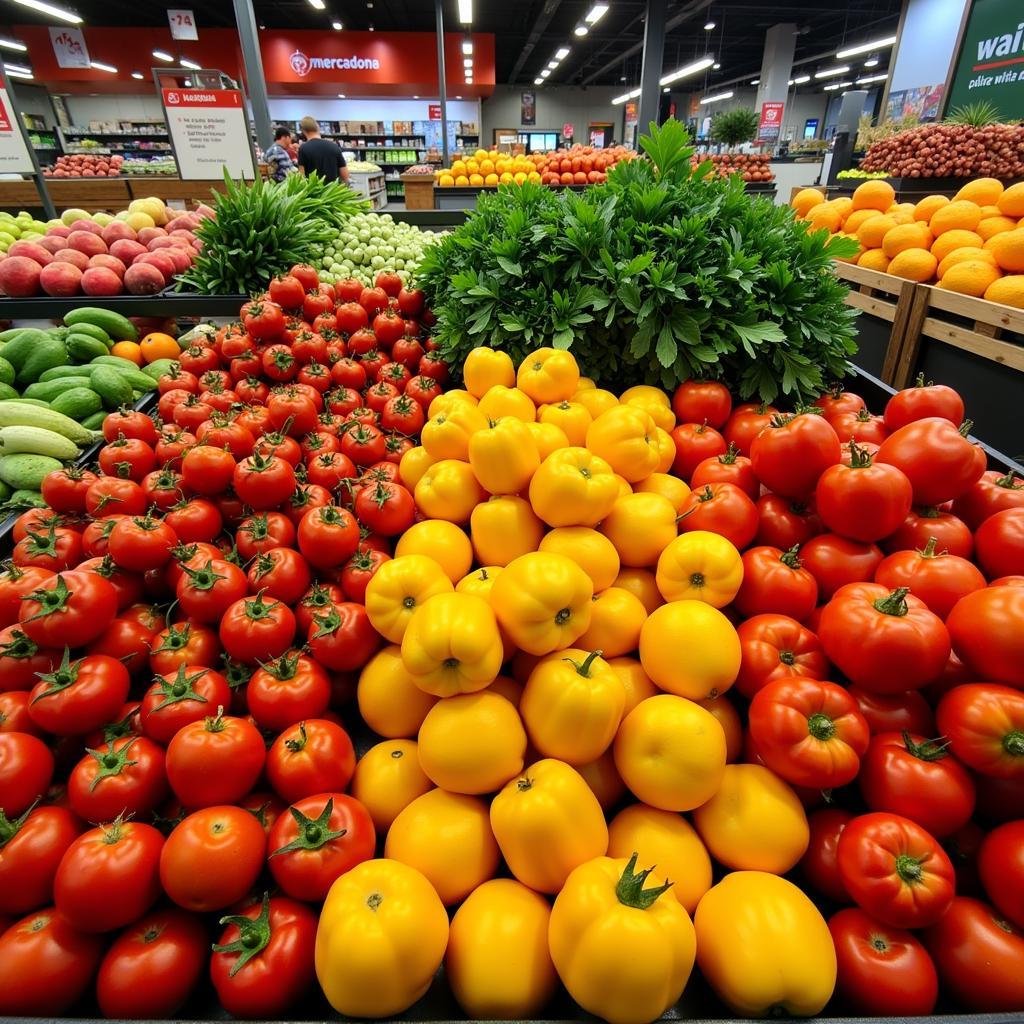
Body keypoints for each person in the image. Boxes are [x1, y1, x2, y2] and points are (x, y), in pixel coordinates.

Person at [296, 116, 349, 183]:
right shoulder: (334, 146)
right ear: (318, 128)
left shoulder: (303, 149)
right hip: (333, 191)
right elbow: (345, 176)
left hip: (313, 191)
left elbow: (301, 177)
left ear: (303, 131)